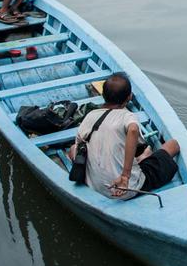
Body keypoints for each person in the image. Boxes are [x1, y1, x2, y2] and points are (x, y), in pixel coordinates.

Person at [70, 72, 180, 200]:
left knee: (74, 148)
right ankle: (142, 159)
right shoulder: (127, 116)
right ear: (129, 97)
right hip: (126, 188)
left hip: (93, 185)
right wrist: (125, 176)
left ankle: (143, 158)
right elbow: (133, 130)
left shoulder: (90, 116)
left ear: (103, 95)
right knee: (173, 145)